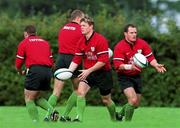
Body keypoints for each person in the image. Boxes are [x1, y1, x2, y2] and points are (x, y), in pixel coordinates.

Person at [113, 24, 166, 121]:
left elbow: (150, 58)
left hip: (136, 76)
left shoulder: (142, 43)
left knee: (136, 104)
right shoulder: (119, 46)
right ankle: (128, 124)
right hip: (124, 76)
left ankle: (119, 115)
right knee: (132, 100)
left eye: (135, 32)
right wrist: (129, 67)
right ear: (125, 34)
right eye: (131, 33)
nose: (134, 35)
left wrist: (156, 65)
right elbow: (117, 65)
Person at [68, 15, 116, 122]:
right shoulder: (81, 41)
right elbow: (76, 59)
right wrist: (68, 72)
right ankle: (79, 118)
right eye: (80, 26)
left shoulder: (100, 40)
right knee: (80, 92)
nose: (81, 28)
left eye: (84, 26)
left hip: (103, 73)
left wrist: (88, 70)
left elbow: (103, 61)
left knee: (106, 100)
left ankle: (114, 119)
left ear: (91, 27)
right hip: (89, 73)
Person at [47, 9, 85, 121]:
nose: (83, 22)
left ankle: (47, 116)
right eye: (82, 19)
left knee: (56, 92)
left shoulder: (63, 28)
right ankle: (65, 115)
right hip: (73, 59)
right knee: (78, 89)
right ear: (78, 18)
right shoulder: (80, 29)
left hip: (60, 59)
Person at [15, 25, 58, 122]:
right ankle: (53, 111)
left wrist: (19, 71)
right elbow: (51, 62)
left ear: (25, 34)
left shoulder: (24, 43)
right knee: (36, 97)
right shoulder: (45, 43)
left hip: (35, 71)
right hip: (47, 72)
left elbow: (18, 63)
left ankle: (35, 123)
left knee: (28, 97)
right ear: (36, 33)